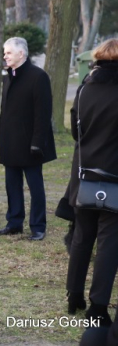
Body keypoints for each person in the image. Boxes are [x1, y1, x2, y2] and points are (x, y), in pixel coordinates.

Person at [66, 39, 118, 327]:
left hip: (84, 173)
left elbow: (76, 130)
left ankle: (73, 295)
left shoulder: (85, 88)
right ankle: (98, 306)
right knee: (109, 242)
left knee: (82, 236)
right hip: (114, 175)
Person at [0, 37, 56, 241]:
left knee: (35, 185)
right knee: (12, 184)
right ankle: (14, 222)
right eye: (4, 52)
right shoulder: (8, 77)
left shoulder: (38, 77)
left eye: (8, 52)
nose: (5, 56)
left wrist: (38, 142)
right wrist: (0, 138)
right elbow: (6, 112)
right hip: (11, 142)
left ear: (21, 54)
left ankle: (38, 226)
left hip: (30, 144)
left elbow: (43, 113)